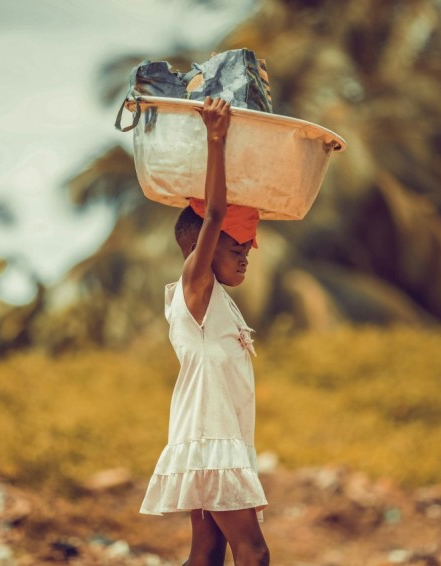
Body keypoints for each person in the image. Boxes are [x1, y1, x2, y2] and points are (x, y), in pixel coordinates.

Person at [139, 96, 270, 566]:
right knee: (253, 554)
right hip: (210, 441)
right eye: (235, 247)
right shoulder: (195, 289)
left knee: (207, 554)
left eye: (247, 249)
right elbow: (214, 214)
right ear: (201, 249)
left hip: (217, 440)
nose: (245, 256)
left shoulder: (219, 306)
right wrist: (216, 136)